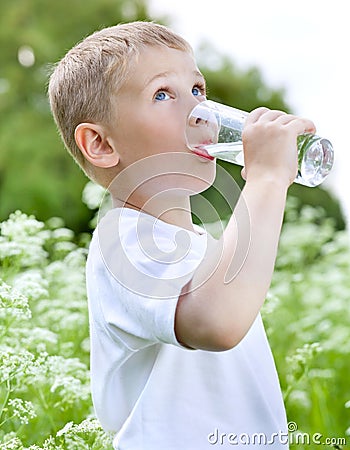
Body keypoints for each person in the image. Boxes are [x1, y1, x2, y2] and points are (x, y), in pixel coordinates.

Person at [48, 21, 315, 449]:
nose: (197, 112)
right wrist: (265, 179)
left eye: (197, 90)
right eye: (162, 94)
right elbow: (217, 322)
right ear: (99, 144)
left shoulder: (204, 251)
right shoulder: (123, 241)